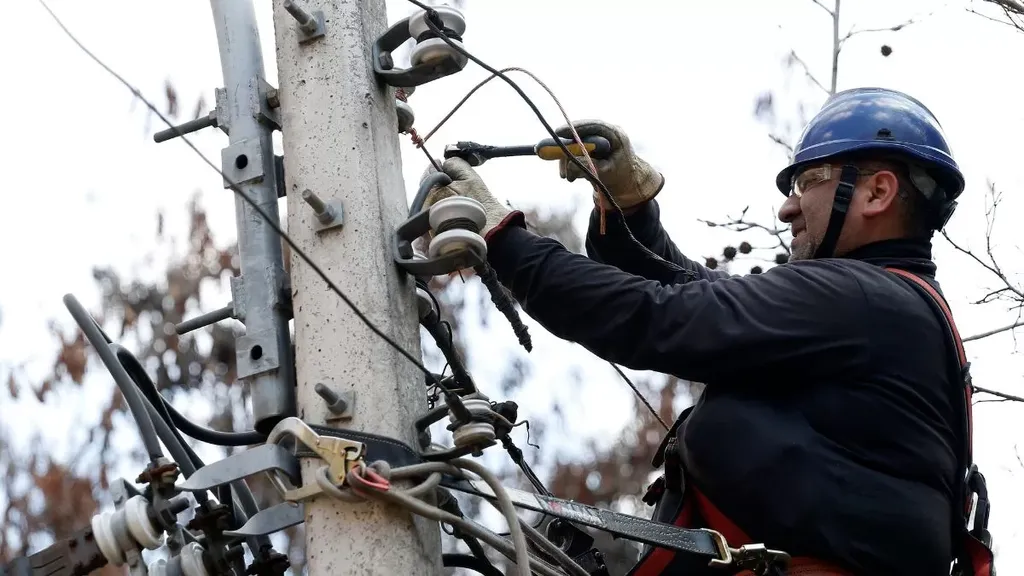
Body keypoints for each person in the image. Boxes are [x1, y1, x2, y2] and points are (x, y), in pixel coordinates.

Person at [420, 87, 994, 575]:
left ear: (876, 193)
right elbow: (695, 297)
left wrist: (502, 239)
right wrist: (628, 212)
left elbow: (660, 317)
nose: (788, 210)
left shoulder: (865, 300)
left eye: (808, 182)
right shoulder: (880, 309)